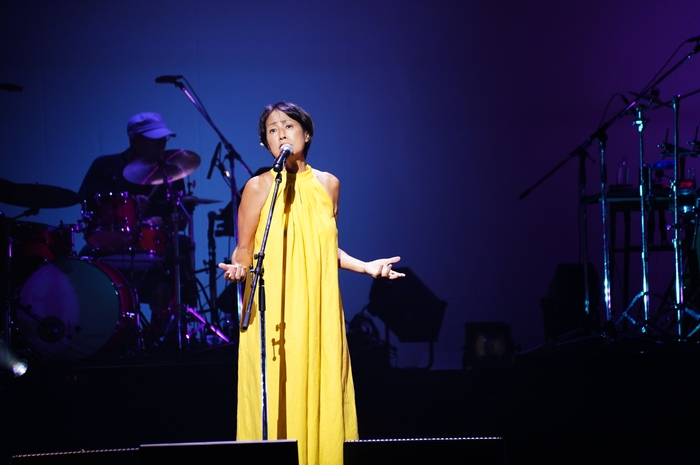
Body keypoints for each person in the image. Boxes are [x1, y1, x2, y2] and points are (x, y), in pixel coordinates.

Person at [218, 102, 404, 465]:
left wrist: (367, 267)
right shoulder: (258, 187)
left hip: (317, 308)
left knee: (321, 387)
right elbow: (244, 248)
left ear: (306, 133)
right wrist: (239, 269)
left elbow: (324, 247)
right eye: (272, 130)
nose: (281, 134)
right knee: (276, 395)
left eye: (288, 126)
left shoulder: (328, 185)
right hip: (273, 310)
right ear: (266, 144)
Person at [78, 112, 197, 344]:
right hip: (112, 243)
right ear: (134, 139)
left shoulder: (170, 170)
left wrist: (162, 221)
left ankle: (168, 333)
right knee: (84, 260)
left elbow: (180, 219)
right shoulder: (105, 167)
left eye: (163, 138)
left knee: (182, 246)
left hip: (154, 242)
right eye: (154, 138)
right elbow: (88, 208)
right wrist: (128, 206)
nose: (161, 143)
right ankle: (97, 334)